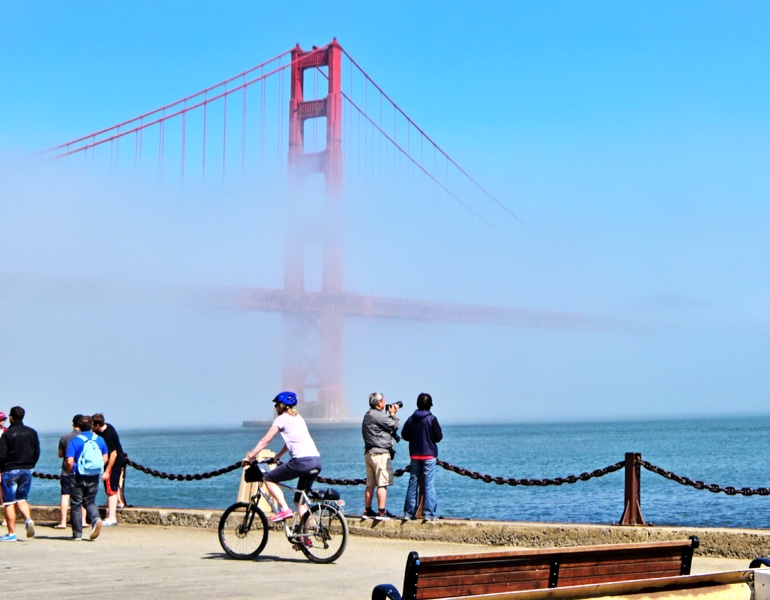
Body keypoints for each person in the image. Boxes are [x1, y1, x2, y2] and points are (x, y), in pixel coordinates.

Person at [242, 391, 321, 524]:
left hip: (301, 461)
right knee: (300, 502)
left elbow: (265, 440)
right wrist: (278, 456)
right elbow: (291, 441)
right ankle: (305, 539)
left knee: (269, 478)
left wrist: (250, 457)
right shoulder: (298, 418)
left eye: (276, 406)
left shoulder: (282, 418)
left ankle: (284, 509)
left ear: (282, 406)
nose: (276, 409)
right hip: (316, 461)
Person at [0, 406, 40, 541]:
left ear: (11, 417)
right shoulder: (32, 432)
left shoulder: (7, 435)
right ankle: (28, 519)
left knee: (9, 502)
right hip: (27, 469)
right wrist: (31, 464)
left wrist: (1, 469)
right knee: (22, 499)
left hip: (11, 469)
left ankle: (11, 533)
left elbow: (2, 456)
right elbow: (36, 452)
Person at [65, 415, 108, 541]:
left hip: (78, 475)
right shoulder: (99, 440)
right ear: (91, 425)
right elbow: (105, 457)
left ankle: (77, 534)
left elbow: (69, 461)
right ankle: (96, 519)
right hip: (93, 475)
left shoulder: (75, 440)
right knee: (90, 501)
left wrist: (71, 471)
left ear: (78, 426)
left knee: (76, 504)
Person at [401, 393, 443, 521]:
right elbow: (438, 437)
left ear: (417, 404)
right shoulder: (432, 419)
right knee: (429, 484)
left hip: (414, 454)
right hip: (429, 454)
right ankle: (428, 513)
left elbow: (404, 435)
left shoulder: (411, 419)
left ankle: (408, 513)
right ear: (430, 405)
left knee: (413, 483)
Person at [361, 392, 400, 520]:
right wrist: (393, 414)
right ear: (379, 403)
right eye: (383, 401)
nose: (384, 403)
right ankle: (381, 511)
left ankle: (367, 510)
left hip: (369, 453)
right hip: (380, 454)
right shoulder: (378, 416)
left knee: (370, 484)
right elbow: (394, 425)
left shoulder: (368, 415)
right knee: (382, 483)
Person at [92, 413, 126, 526]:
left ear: (97, 425)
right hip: (118, 461)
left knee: (111, 490)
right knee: (113, 488)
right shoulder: (107, 427)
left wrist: (107, 471)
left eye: (92, 425)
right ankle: (115, 508)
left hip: (114, 463)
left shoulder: (107, 435)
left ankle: (112, 517)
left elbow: (113, 454)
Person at [56, 414, 83, 529]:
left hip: (67, 470)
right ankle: (83, 521)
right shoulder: (85, 437)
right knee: (82, 496)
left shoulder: (64, 437)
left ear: (73, 423)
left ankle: (63, 522)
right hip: (82, 470)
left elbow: (60, 454)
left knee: (65, 495)